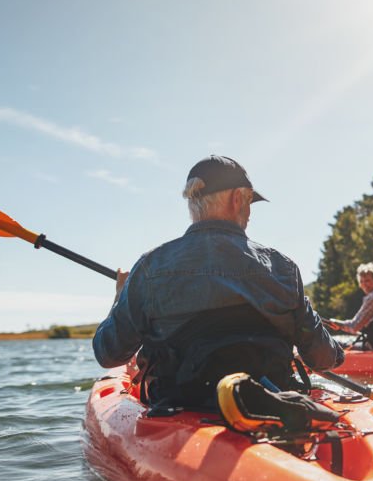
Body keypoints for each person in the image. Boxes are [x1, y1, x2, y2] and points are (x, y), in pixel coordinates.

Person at [93, 155, 344, 414]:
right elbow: (323, 358)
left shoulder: (149, 268)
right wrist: (338, 352)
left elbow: (109, 354)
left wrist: (119, 298)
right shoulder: (283, 268)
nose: (249, 212)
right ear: (237, 199)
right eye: (249, 202)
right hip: (271, 405)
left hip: (180, 408)